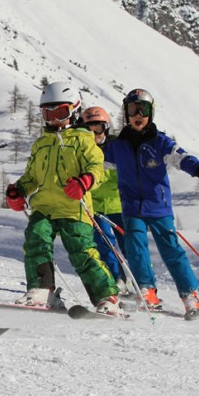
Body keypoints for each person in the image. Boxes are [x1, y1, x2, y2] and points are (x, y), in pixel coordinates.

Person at [5, 82, 121, 316]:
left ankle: (107, 297)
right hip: (45, 206)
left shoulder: (83, 139)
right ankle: (41, 291)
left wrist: (84, 181)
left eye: (60, 113)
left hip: (73, 208)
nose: (53, 119)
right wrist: (18, 190)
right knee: (36, 240)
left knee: (81, 251)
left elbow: (96, 167)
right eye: (47, 113)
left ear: (74, 111)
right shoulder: (41, 144)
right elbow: (32, 176)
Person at [103, 88, 199, 319]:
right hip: (132, 206)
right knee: (135, 248)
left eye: (143, 110)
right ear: (126, 113)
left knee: (171, 250)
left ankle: (189, 294)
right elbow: (95, 161)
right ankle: (147, 290)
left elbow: (181, 157)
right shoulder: (118, 146)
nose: (138, 114)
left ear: (150, 114)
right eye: (133, 109)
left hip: (158, 206)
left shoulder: (160, 141)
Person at [81, 106, 127, 294]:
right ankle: (117, 279)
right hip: (96, 205)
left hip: (120, 203)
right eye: (88, 129)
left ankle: (141, 282)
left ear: (105, 128)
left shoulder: (116, 147)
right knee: (105, 243)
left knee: (129, 244)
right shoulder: (83, 149)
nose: (93, 134)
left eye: (97, 128)